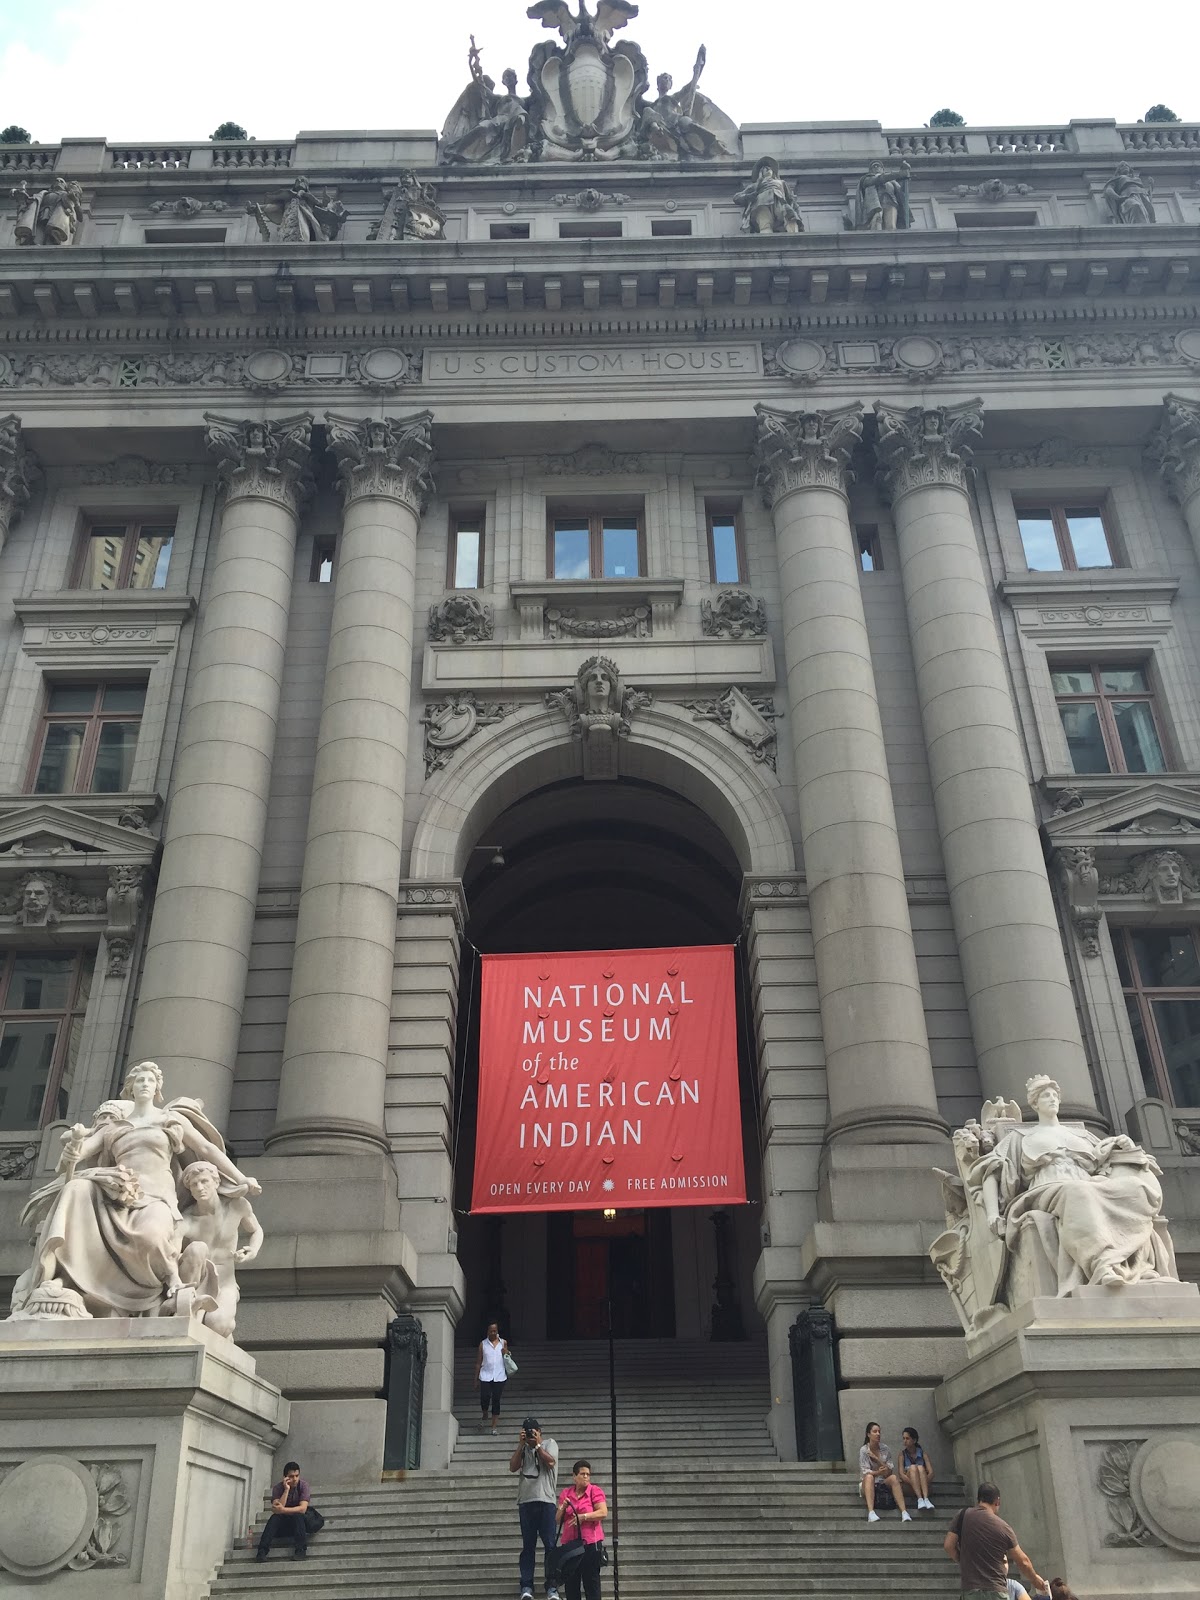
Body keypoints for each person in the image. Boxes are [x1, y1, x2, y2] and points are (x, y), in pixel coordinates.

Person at [944, 1482, 1048, 1598]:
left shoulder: (962, 1515)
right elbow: (1023, 1561)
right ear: (997, 1501)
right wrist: (1035, 1579)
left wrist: (963, 1560)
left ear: (979, 1499)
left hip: (971, 1591)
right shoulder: (1003, 1527)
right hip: (996, 1591)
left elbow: (948, 1546)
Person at [510, 1415, 560, 1600]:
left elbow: (550, 1462)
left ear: (540, 1432)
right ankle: (526, 1585)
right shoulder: (523, 1448)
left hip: (546, 1500)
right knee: (528, 1546)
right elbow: (513, 1467)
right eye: (528, 1432)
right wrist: (521, 1445)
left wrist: (538, 1445)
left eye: (533, 1431)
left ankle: (552, 1586)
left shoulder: (550, 1443)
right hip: (526, 1501)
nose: (531, 1435)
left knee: (550, 1545)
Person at [556, 1459, 608, 1600]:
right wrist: (563, 1508)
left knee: (591, 1584)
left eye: (588, 1474)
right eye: (582, 1474)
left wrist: (584, 1517)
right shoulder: (566, 1493)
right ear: (574, 1476)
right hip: (570, 1546)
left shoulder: (594, 1491)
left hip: (590, 1545)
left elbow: (603, 1512)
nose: (586, 1477)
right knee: (571, 1585)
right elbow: (558, 1519)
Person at [858, 1421, 912, 1524]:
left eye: (879, 1431)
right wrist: (878, 1472)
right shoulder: (864, 1450)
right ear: (868, 1434)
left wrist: (877, 1459)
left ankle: (904, 1512)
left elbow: (889, 1471)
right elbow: (865, 1472)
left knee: (894, 1478)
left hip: (882, 1481)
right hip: (868, 1483)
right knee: (869, 1477)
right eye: (875, 1431)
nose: (878, 1434)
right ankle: (871, 1512)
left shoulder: (885, 1449)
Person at [256, 1461, 310, 1562]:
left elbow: (302, 1509)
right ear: (285, 1477)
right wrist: (286, 1490)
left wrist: (283, 1510)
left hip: (300, 1523)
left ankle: (301, 1550)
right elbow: (277, 1509)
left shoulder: (303, 1486)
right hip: (284, 1524)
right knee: (275, 1518)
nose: (295, 1479)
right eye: (291, 1476)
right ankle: (262, 1551)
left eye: (297, 1476)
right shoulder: (278, 1488)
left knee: (298, 1515)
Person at [475, 1319, 510, 1433]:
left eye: (495, 1331)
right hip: (485, 1375)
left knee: (496, 1400)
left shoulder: (503, 1342)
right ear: (487, 1331)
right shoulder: (483, 1344)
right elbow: (478, 1362)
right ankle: (485, 1413)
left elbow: (507, 1357)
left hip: (500, 1376)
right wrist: (475, 1379)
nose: (493, 1333)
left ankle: (494, 1427)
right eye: (491, 1331)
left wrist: (507, 1352)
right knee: (485, 1397)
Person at [900, 1425, 936, 1510]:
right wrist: (914, 1482)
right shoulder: (902, 1454)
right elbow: (901, 1474)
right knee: (913, 1468)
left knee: (920, 1468)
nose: (905, 1441)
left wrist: (922, 1481)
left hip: (924, 1484)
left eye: (907, 1438)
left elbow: (931, 1473)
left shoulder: (923, 1454)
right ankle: (920, 1499)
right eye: (903, 1438)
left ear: (914, 1440)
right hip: (909, 1485)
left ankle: (926, 1499)